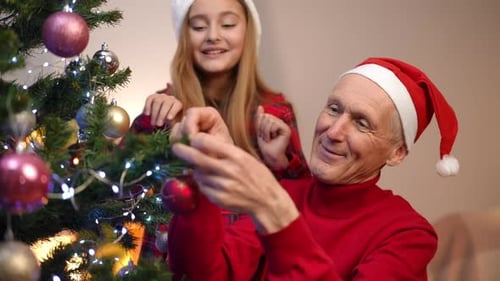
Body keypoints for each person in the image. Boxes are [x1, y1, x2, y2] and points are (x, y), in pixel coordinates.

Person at [167, 57, 460, 280]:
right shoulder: (290, 192)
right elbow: (201, 272)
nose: (333, 131)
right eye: (334, 108)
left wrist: (276, 215)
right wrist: (207, 166)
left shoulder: (409, 235)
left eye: (361, 123)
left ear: (397, 153)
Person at [130, 0, 309, 180]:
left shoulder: (277, 112)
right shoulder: (162, 111)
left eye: (228, 24)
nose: (213, 36)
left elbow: (304, 203)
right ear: (184, 35)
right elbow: (117, 191)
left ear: (248, 30)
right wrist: (156, 129)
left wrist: (278, 162)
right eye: (199, 27)